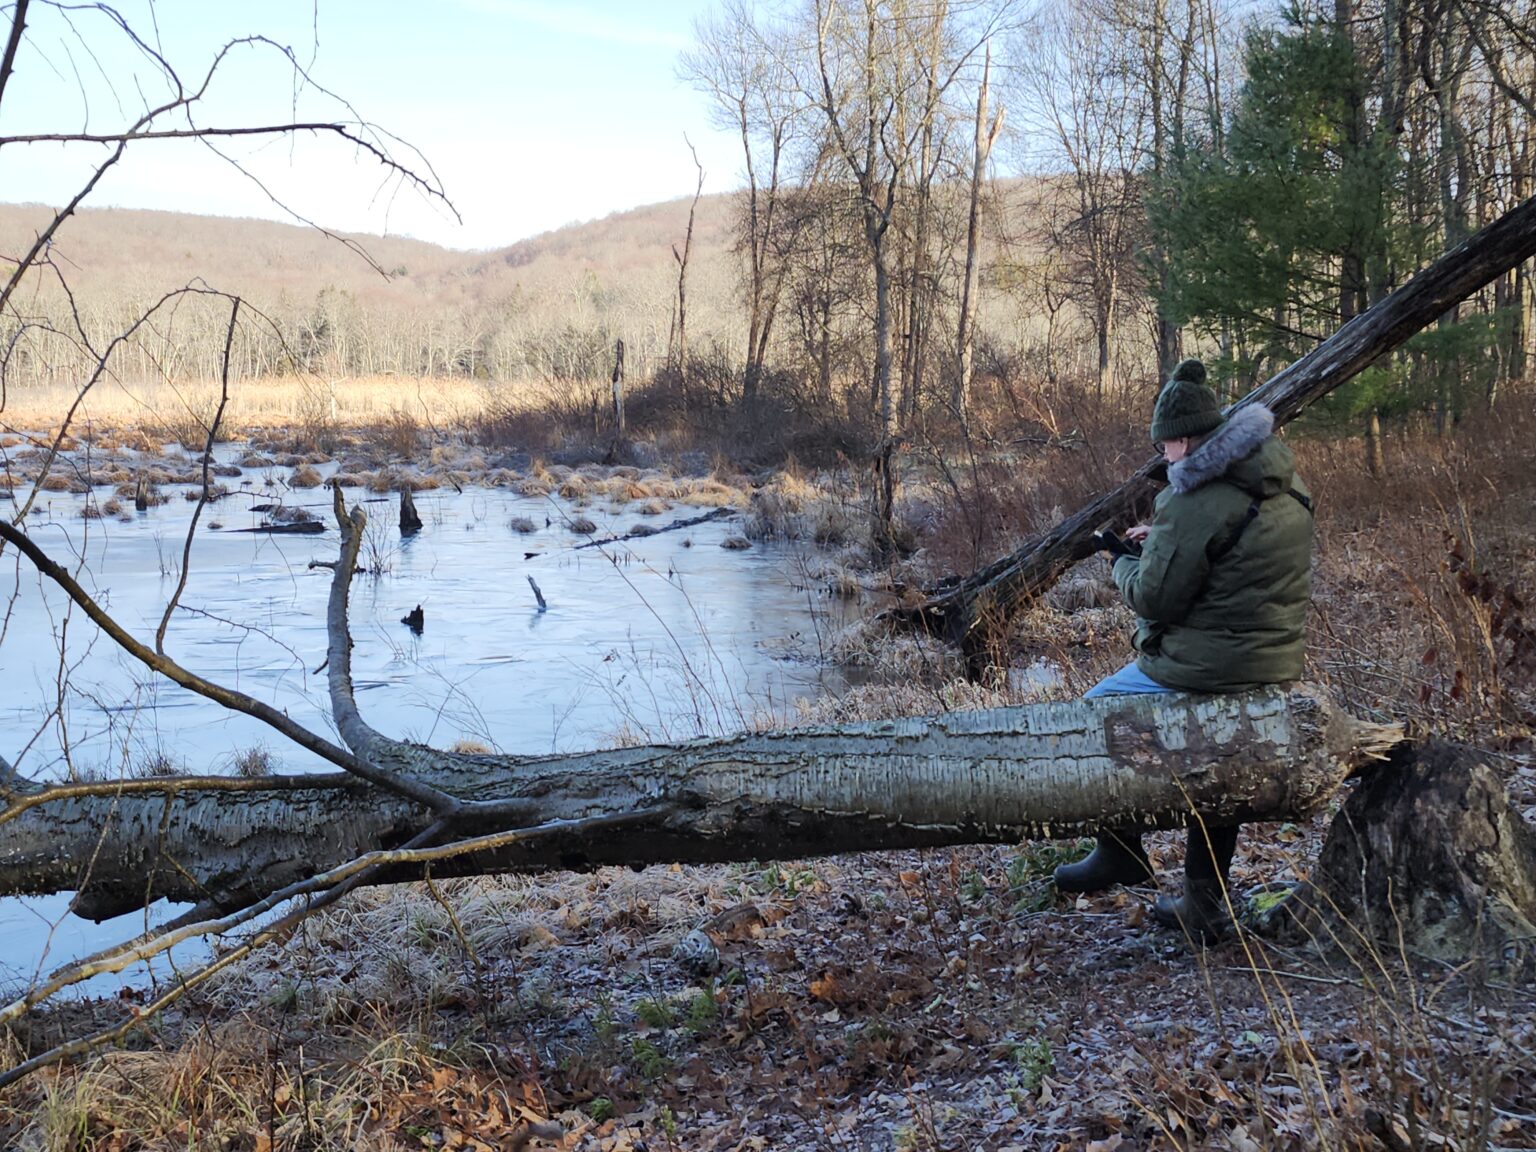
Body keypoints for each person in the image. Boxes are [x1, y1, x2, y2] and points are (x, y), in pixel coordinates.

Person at [1053, 357, 1314, 943]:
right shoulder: (1284, 483)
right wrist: (1166, 541)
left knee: (1090, 716)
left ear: (1182, 439)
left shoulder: (1193, 500)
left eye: (1165, 446)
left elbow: (1154, 600)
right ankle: (1204, 901)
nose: (1162, 457)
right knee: (1220, 762)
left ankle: (1119, 852)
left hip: (1208, 669)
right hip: (1272, 663)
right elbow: (1234, 566)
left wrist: (1122, 558)